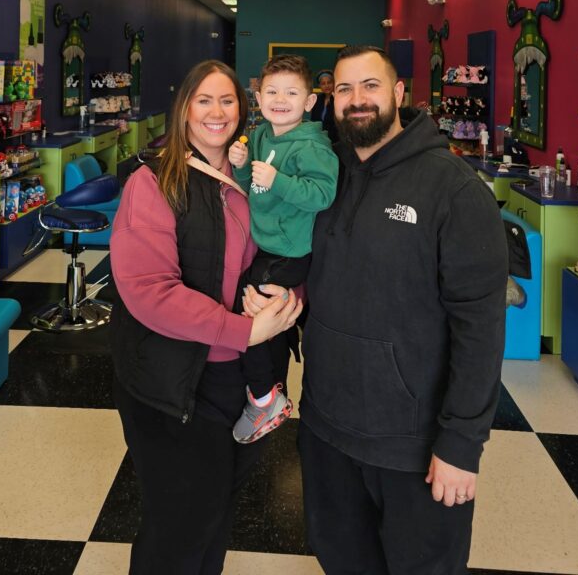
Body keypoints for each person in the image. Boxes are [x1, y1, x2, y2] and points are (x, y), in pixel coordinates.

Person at [297, 45, 508, 575]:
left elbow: (480, 327)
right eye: (344, 89)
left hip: (414, 443)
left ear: (397, 94)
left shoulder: (454, 190)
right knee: (342, 560)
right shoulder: (326, 176)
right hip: (326, 427)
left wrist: (462, 444)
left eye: (371, 86)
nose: (356, 100)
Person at [109, 60, 302, 575]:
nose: (218, 112)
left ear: (245, 108)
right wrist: (244, 329)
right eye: (204, 100)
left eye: (228, 100)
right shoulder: (154, 181)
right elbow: (148, 290)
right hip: (174, 383)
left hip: (239, 379)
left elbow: (290, 248)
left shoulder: (257, 178)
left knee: (214, 517)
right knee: (179, 527)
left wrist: (287, 295)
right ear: (184, 110)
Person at [228, 54, 338, 444]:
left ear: (309, 102)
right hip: (267, 246)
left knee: (250, 317)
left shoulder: (313, 147)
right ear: (258, 96)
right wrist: (240, 163)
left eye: (292, 93)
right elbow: (251, 183)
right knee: (253, 309)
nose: (280, 99)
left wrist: (278, 180)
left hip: (291, 251)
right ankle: (274, 386)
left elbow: (323, 195)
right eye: (271, 91)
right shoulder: (260, 136)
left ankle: (263, 399)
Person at [308, 67, 338, 144]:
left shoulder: (338, 99)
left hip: (335, 139)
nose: (327, 85)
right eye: (323, 83)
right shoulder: (316, 99)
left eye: (329, 82)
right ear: (319, 86)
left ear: (334, 83)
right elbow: (313, 120)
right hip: (318, 138)